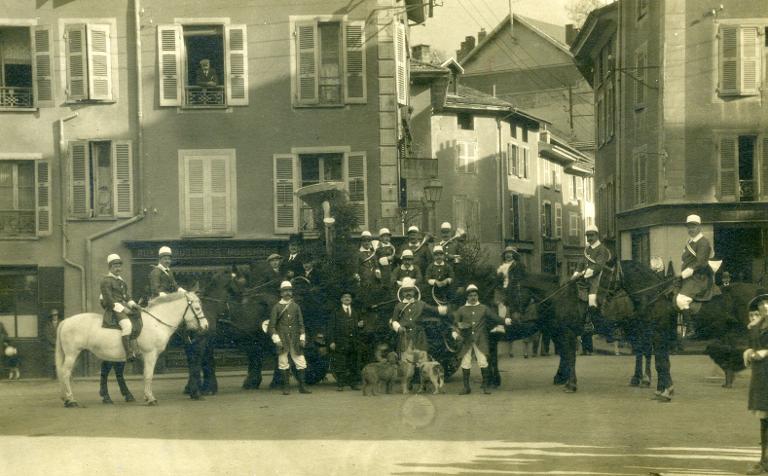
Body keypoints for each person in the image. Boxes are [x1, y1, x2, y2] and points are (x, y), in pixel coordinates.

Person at [452, 284, 511, 394]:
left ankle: (485, 386)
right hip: (466, 340)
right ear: (467, 297)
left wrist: (505, 321)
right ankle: (466, 387)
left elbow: (495, 318)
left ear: (478, 296)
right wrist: (455, 333)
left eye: (475, 295)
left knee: (483, 361)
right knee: (465, 362)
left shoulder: (483, 308)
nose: (473, 298)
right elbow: (455, 324)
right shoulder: (461, 309)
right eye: (470, 296)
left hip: (481, 340)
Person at [268, 281, 310, 395]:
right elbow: (271, 326)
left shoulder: (296, 306)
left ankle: (302, 387)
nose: (287, 293)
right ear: (281, 293)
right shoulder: (276, 307)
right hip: (282, 340)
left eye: (289, 291)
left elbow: (301, 324)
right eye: (285, 291)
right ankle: (286, 387)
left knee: (301, 361)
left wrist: (302, 338)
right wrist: (277, 340)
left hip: (295, 339)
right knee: (283, 362)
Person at [675, 214, 715, 330]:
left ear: (699, 227)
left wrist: (683, 274)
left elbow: (700, 263)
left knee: (681, 299)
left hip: (700, 277)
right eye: (689, 227)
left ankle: (691, 327)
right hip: (689, 277)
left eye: (693, 226)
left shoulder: (703, 242)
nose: (691, 229)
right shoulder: (690, 242)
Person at [390, 277, 448, 354]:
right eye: (405, 291)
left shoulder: (421, 304)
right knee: (406, 357)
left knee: (421, 355)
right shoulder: (399, 306)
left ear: (414, 291)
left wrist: (445, 309)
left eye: (410, 290)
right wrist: (398, 327)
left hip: (419, 336)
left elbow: (434, 309)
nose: (408, 293)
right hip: (405, 335)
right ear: (402, 293)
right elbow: (394, 320)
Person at [100, 254, 140, 362]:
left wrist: (133, 304)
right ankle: (129, 353)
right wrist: (124, 309)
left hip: (121, 306)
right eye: (115, 266)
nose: (118, 269)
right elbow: (108, 300)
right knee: (127, 325)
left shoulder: (121, 281)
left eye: (119, 266)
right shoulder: (106, 281)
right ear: (110, 267)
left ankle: (136, 347)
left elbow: (126, 296)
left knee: (138, 317)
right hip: (113, 309)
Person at [744, 291, 768, 475]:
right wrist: (749, 350)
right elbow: (754, 345)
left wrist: (766, 352)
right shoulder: (757, 326)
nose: (765, 306)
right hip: (761, 377)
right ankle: (763, 461)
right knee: (764, 421)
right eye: (762, 304)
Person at [572, 225, 612, 328]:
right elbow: (580, 263)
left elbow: (598, 266)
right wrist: (576, 273)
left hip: (598, 278)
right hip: (585, 278)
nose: (589, 238)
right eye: (587, 236)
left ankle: (592, 323)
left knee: (592, 298)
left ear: (597, 235)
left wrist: (584, 273)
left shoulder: (602, 249)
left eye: (591, 235)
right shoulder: (587, 250)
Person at [329, 290, 364, 391]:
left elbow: (359, 325)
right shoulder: (336, 312)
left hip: (353, 342)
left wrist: (361, 325)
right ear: (341, 299)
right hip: (340, 341)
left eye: (349, 297)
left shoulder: (355, 312)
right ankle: (340, 384)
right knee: (341, 363)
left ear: (351, 300)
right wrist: (331, 341)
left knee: (353, 363)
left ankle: (353, 384)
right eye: (345, 297)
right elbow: (331, 328)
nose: (347, 298)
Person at [43, 309, 60, 379]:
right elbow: (48, 335)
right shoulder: (48, 325)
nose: (55, 317)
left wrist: (59, 343)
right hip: (51, 346)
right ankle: (53, 375)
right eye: (53, 315)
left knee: (60, 360)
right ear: (51, 316)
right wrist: (54, 342)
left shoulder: (61, 323)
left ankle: (59, 375)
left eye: (56, 315)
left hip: (60, 345)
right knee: (52, 361)